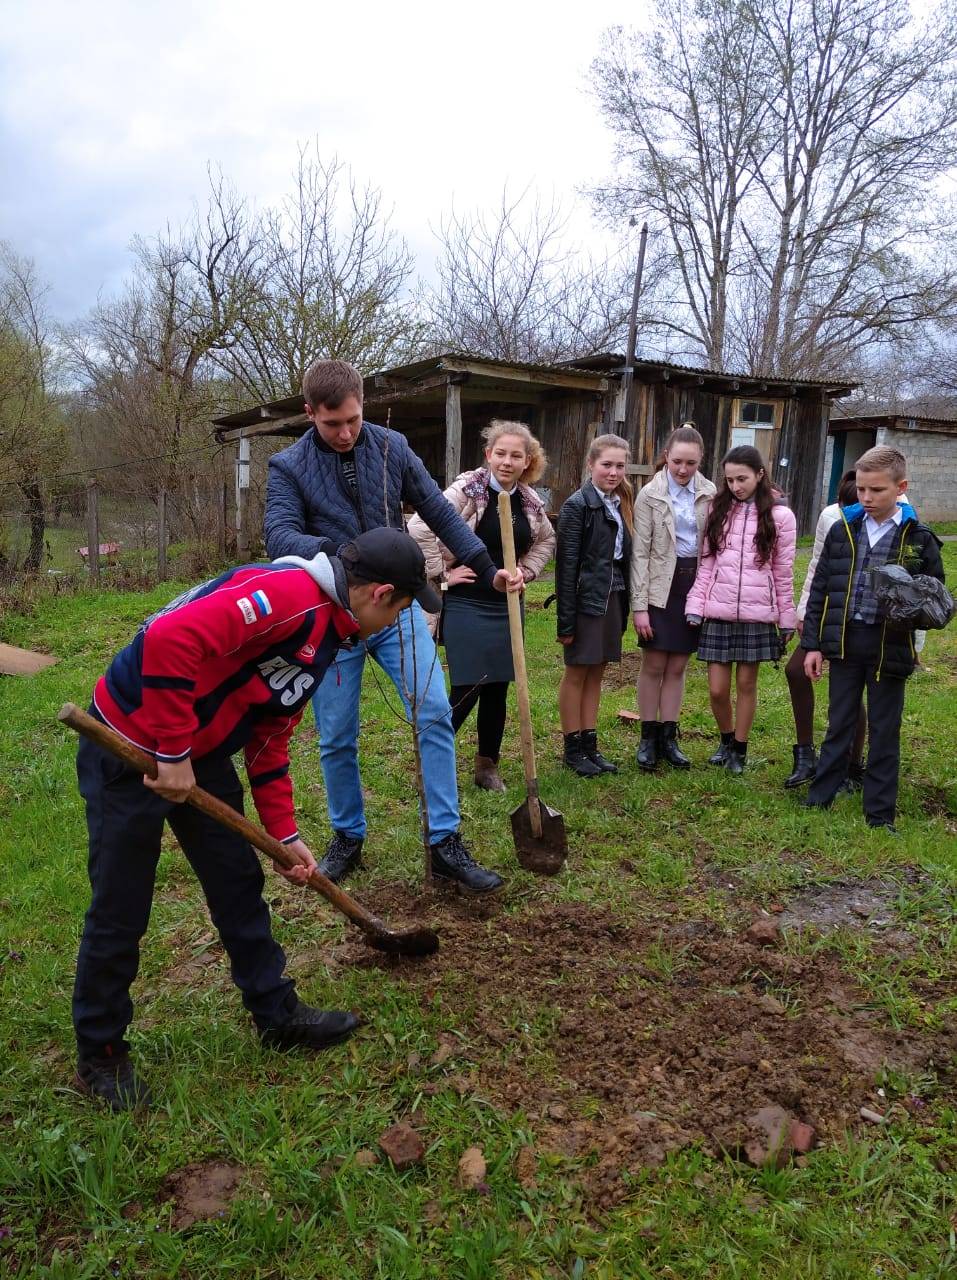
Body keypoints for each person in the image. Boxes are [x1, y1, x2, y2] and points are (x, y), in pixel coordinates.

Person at [72, 529, 438, 1111]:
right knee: (122, 905)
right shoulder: (289, 597)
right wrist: (171, 753)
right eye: (400, 609)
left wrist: (285, 835)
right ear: (380, 594)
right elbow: (169, 638)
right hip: (130, 747)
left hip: (200, 756)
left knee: (239, 884)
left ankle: (275, 1013)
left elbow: (270, 734)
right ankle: (101, 1054)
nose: (397, 623)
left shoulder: (330, 632)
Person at [264, 359, 523, 895]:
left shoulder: (391, 446)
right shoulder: (287, 466)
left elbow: (437, 509)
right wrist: (354, 558)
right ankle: (347, 837)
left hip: (398, 612)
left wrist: (485, 562)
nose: (345, 432)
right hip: (334, 619)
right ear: (310, 412)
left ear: (362, 403)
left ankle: (446, 841)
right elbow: (279, 538)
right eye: (332, 423)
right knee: (336, 736)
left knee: (432, 713)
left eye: (354, 419)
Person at [801, 445, 945, 833]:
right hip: (846, 643)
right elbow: (819, 590)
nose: (866, 498)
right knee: (838, 723)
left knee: (884, 730)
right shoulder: (842, 529)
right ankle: (821, 798)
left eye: (876, 491)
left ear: (901, 488)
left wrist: (913, 608)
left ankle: (879, 814)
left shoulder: (918, 538)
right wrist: (812, 644)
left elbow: (936, 595)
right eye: (861, 489)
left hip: (890, 647)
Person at [408, 420, 555, 793]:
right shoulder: (466, 492)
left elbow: (545, 542)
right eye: (500, 453)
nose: (506, 462)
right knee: (468, 686)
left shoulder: (530, 503)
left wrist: (526, 570)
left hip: (506, 605)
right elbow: (420, 528)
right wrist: (443, 573)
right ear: (488, 455)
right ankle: (431, 758)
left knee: (499, 688)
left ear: (527, 461)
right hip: (468, 603)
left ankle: (487, 766)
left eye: (515, 456)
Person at [685, 444, 797, 775]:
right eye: (730, 480)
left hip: (757, 615)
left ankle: (740, 750)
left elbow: (783, 572)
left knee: (747, 685)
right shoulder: (717, 511)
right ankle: (726, 739)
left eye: (743, 479)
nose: (736, 486)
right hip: (718, 612)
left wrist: (786, 618)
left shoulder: (780, 516)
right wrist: (696, 603)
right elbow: (706, 565)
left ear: (760, 474)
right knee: (717, 689)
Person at [630, 423, 716, 770]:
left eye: (691, 463)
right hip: (658, 584)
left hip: (692, 586)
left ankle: (670, 736)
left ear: (700, 462)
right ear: (666, 457)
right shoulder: (650, 494)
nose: (683, 469)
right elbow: (641, 552)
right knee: (654, 663)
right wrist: (640, 607)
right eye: (677, 461)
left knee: (678, 665)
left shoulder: (710, 493)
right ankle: (647, 737)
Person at [555, 433, 634, 776]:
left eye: (619, 466)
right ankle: (572, 747)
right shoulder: (577, 506)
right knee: (577, 673)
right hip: (587, 600)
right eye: (606, 465)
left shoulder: (620, 502)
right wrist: (566, 621)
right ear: (591, 465)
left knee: (598, 672)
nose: (613, 472)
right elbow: (566, 567)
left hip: (613, 594)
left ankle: (590, 744)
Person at [783, 470, 867, 790]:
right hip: (826, 614)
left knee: (848, 689)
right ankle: (805, 754)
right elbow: (817, 568)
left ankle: (851, 765)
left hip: (858, 623)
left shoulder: (890, 518)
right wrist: (803, 614)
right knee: (795, 670)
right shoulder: (830, 518)